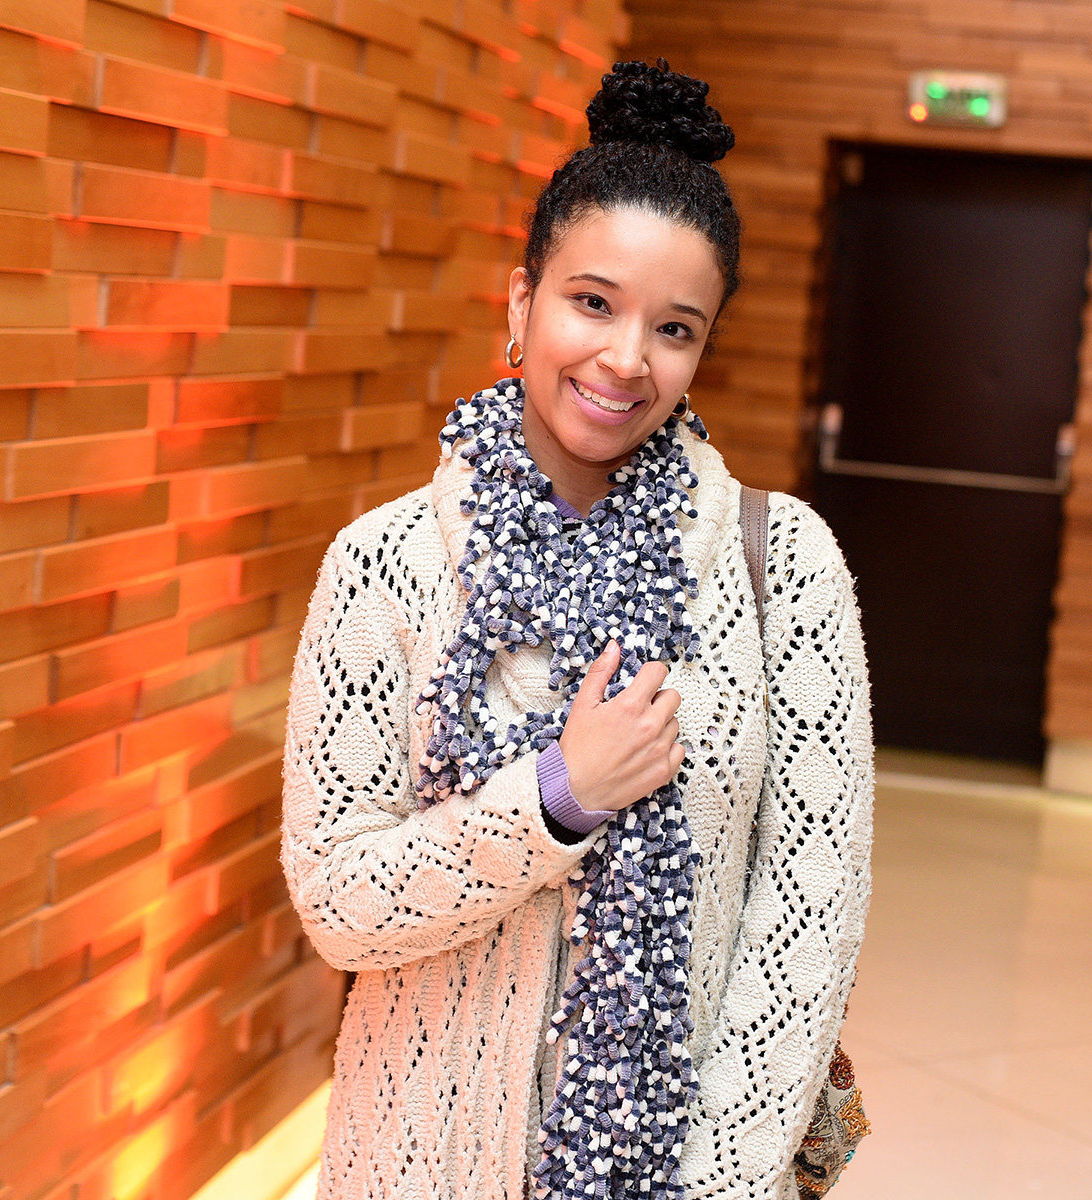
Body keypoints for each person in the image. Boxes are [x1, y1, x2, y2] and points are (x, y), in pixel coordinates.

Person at [281, 59, 873, 1200]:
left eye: (674, 328)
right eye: (592, 302)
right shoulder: (386, 565)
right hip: (417, 1165)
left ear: (702, 351)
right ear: (522, 302)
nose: (625, 359)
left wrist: (715, 1184)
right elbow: (340, 904)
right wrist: (557, 799)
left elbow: (810, 917)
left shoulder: (783, 566)